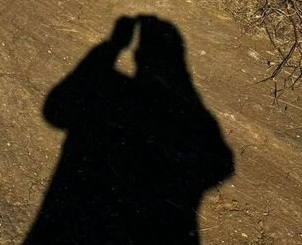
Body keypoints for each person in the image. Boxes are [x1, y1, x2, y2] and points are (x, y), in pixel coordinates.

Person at [24, 15, 234, 244]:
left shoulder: (116, 90)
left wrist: (112, 47)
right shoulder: (199, 119)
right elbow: (220, 166)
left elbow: (55, 112)